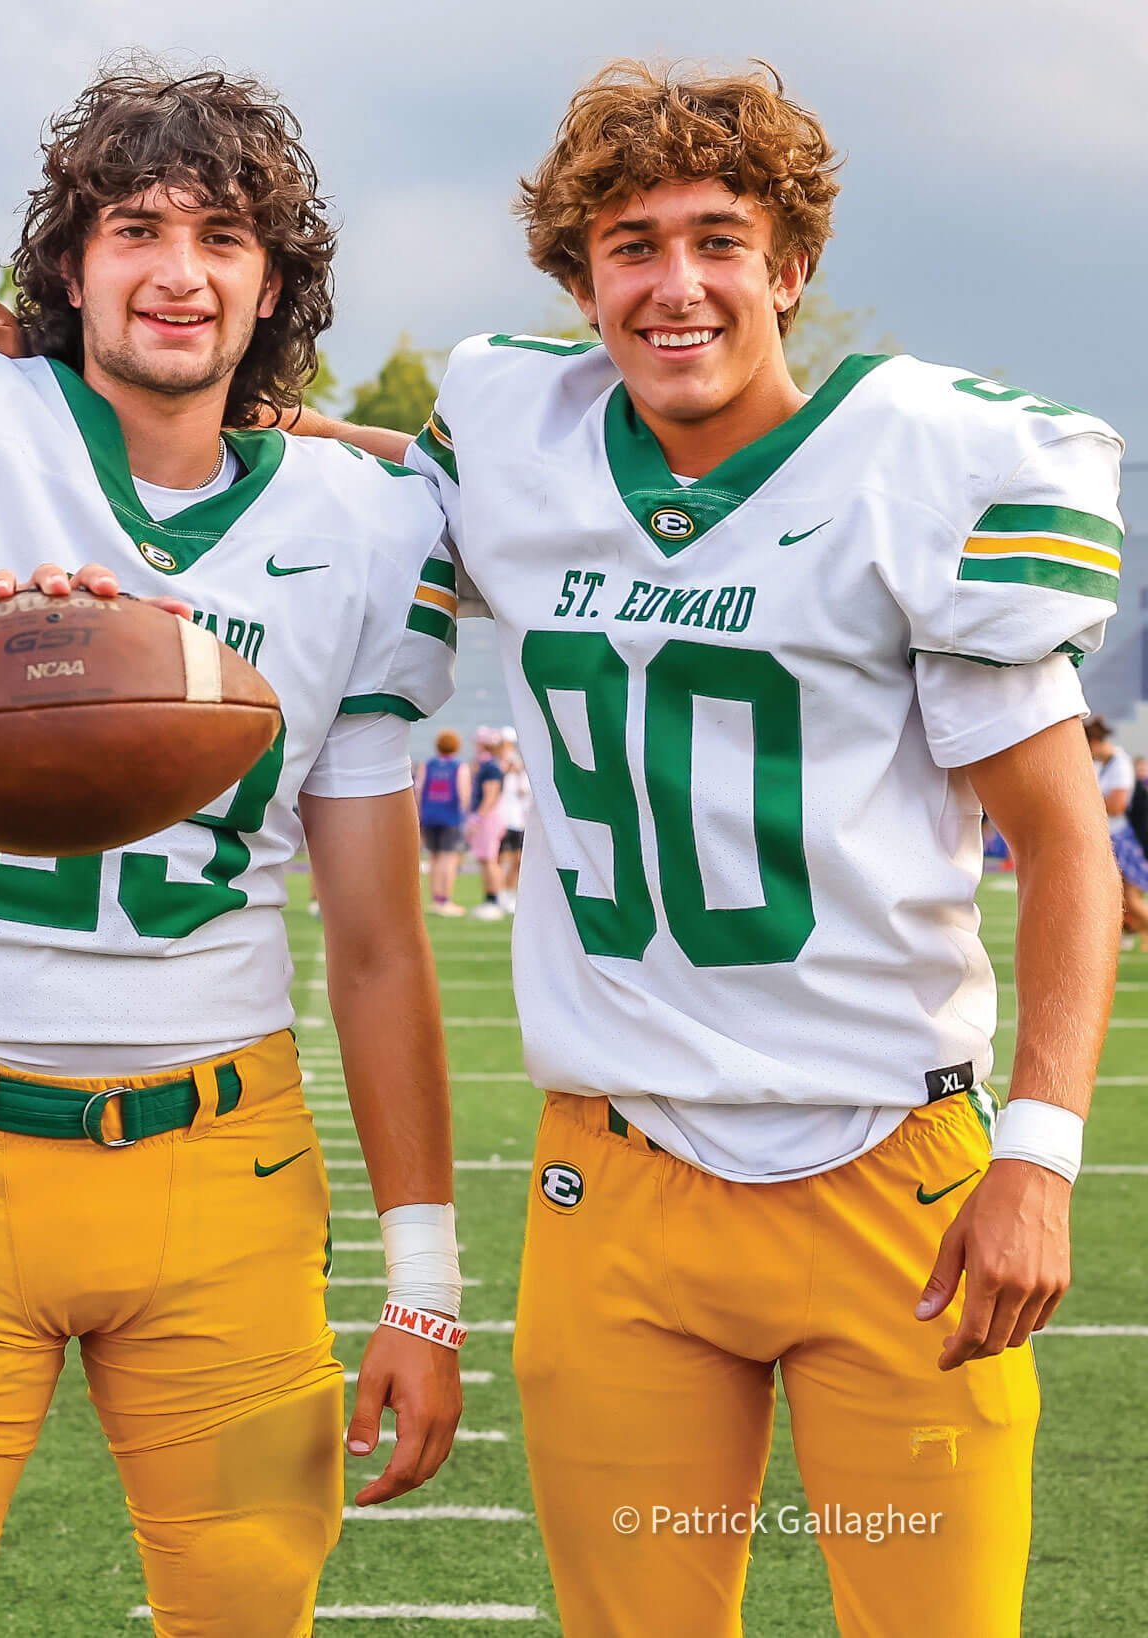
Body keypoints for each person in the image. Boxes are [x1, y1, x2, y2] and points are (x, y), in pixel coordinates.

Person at [372, 62, 1118, 1637]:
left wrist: (1039, 1158)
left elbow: (1065, 851)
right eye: (631, 244)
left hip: (892, 1181)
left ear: (789, 266)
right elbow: (286, 460)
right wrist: (47, 356)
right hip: (622, 1182)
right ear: (582, 280)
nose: (677, 282)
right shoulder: (517, 439)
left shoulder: (924, 465)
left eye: (720, 237)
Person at [0, 67, 466, 1638]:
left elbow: (374, 934)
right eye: (137, 228)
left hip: (227, 1156)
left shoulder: (364, 522)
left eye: (224, 237)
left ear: (274, 279)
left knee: (248, 1605)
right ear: (68, 263)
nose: (179, 267)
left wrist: (422, 1276)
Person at [1086, 717, 1148, 937]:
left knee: (1130, 898)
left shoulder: (1119, 764)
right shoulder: (1106, 764)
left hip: (1124, 839)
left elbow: (1117, 805)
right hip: (1116, 837)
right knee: (1124, 897)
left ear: (1093, 743)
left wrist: (1086, 801)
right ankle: (1132, 933)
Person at [416, 726, 468, 914]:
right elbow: (463, 793)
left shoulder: (427, 765)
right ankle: (445, 900)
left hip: (429, 816)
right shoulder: (459, 766)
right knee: (448, 858)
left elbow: (418, 791)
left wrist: (421, 815)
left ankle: (436, 898)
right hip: (450, 817)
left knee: (434, 857)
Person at [465, 725, 509, 918]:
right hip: (487, 816)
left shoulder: (491, 767)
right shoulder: (486, 765)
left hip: (488, 817)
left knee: (489, 859)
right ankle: (491, 899)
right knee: (485, 859)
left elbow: (490, 795)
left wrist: (478, 816)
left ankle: (495, 900)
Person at [495, 725, 529, 912]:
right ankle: (499, 893)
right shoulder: (499, 764)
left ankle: (510, 893)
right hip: (503, 818)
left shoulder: (522, 765)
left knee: (517, 858)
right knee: (501, 858)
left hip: (519, 818)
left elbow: (524, 792)